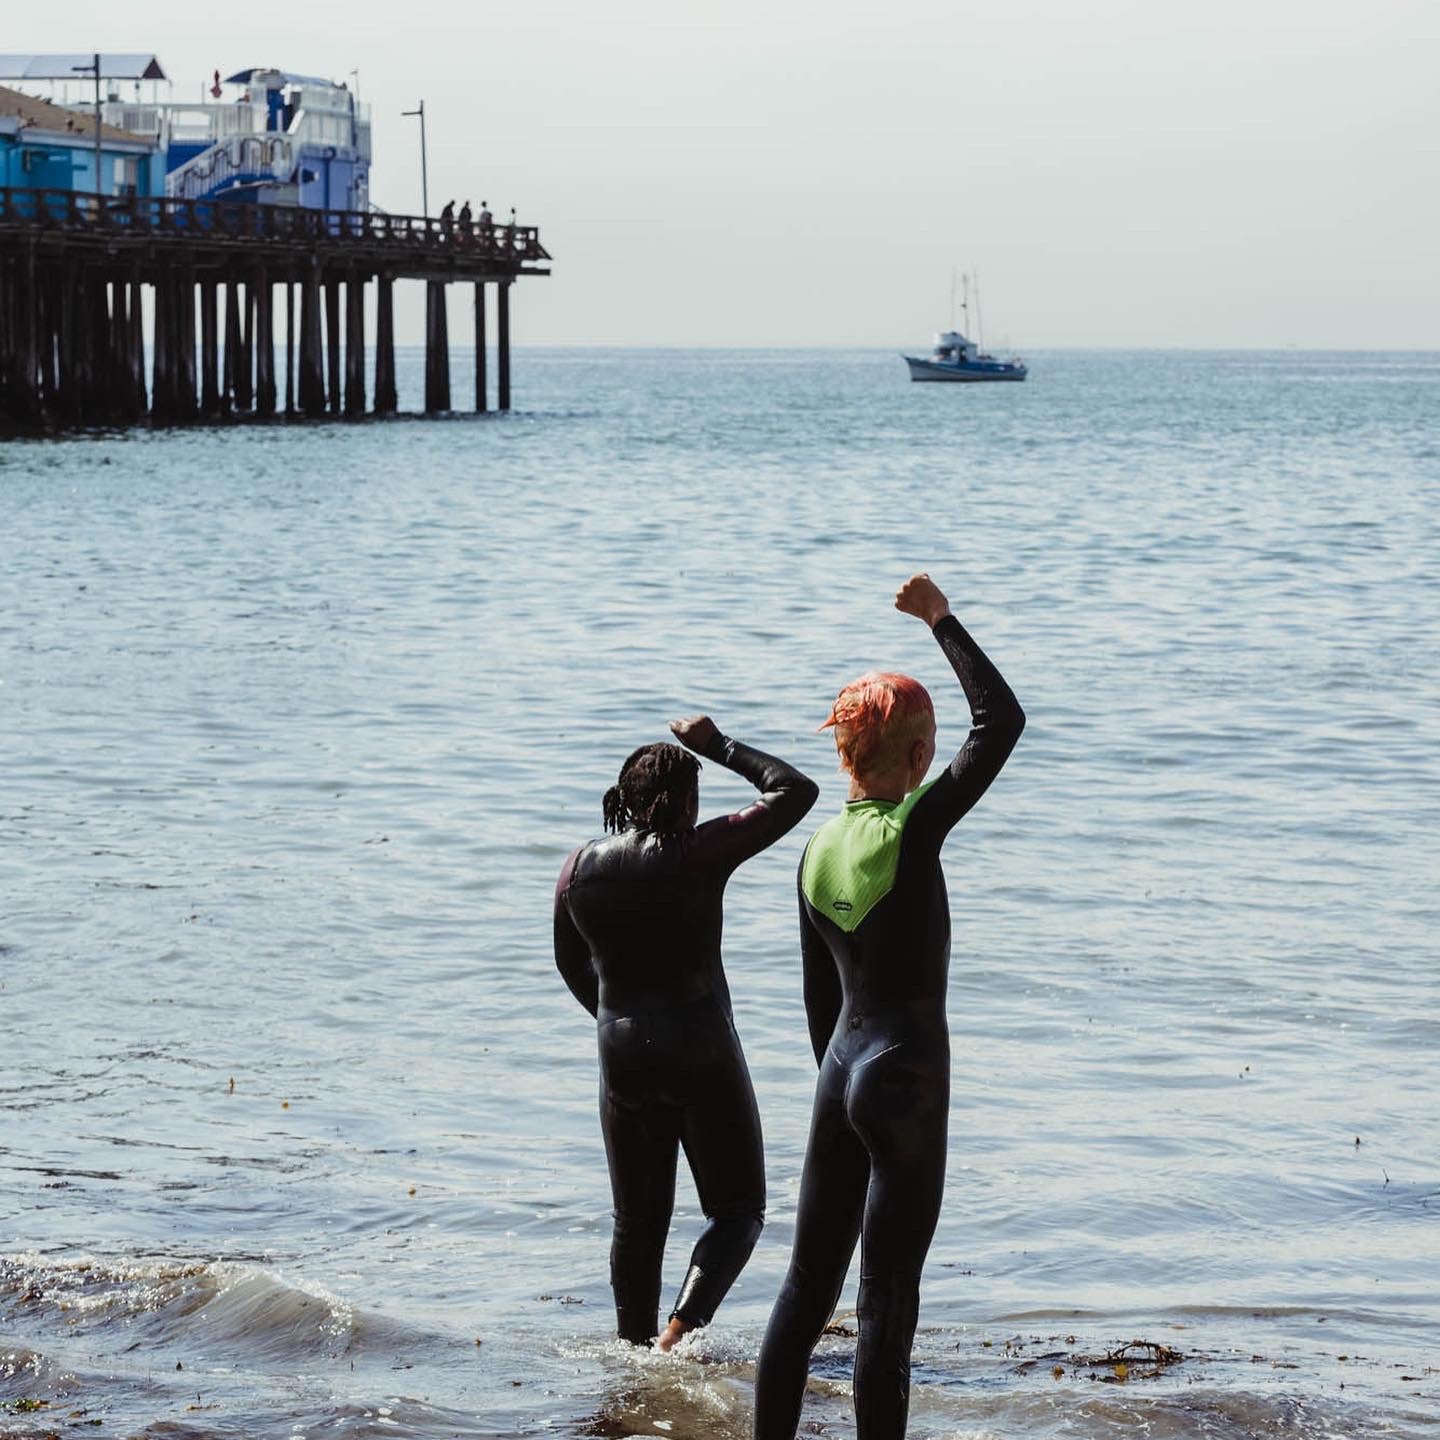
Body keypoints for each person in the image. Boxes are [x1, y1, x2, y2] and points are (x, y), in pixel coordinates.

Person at [753, 574, 1025, 1440]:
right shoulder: (913, 829)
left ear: (843, 758)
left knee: (804, 1288)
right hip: (906, 1079)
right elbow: (1002, 723)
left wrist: (841, 1093)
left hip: (837, 1076)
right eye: (929, 750)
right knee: (886, 1302)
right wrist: (940, 620)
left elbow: (813, 1000)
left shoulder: (814, 851)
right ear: (915, 761)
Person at [555, 717, 818, 1351]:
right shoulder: (698, 853)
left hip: (621, 1054)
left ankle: (632, 1351)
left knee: (637, 1223)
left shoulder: (578, 870)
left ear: (625, 799)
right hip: (700, 1048)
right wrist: (718, 745)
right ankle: (677, 1333)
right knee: (737, 1212)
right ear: (687, 804)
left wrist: (620, 1022)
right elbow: (795, 791)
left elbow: (569, 961)